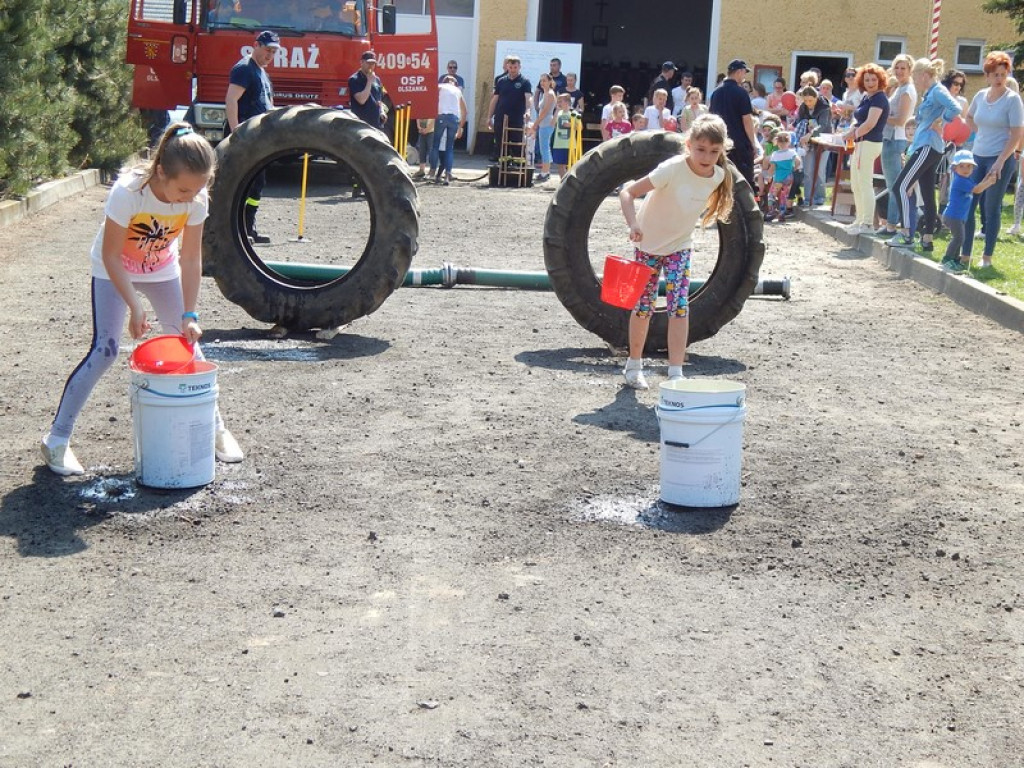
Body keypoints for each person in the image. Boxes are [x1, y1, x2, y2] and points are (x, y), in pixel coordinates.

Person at [41, 123, 244, 476]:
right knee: (104, 350)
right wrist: (135, 305)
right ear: (162, 171)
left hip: (162, 269)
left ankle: (216, 430)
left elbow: (191, 258)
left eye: (198, 189)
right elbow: (111, 255)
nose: (190, 196)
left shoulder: (196, 197)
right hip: (114, 267)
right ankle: (56, 440)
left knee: (188, 342)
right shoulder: (128, 192)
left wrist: (190, 313)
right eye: (183, 189)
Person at [618, 113, 735, 388]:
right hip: (648, 245)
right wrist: (633, 223)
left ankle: (676, 372)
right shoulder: (671, 169)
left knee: (679, 307)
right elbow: (628, 192)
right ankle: (634, 365)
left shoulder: (718, 175)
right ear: (688, 145)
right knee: (644, 306)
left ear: (722, 150)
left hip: (680, 246)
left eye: (714, 151)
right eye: (701, 149)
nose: (706, 156)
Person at [886, 58, 961, 250]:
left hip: (928, 146)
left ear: (924, 75)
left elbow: (956, 108)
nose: (916, 82)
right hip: (926, 146)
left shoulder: (938, 91)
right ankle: (927, 237)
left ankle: (906, 234)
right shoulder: (930, 93)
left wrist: (941, 121)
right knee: (928, 193)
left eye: (916, 77)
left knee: (900, 186)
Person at [963, 51, 1024, 269]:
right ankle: (965, 253)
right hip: (978, 155)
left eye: (1002, 74)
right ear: (987, 76)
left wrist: (1000, 161)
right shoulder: (980, 95)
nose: (999, 78)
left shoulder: (1012, 99)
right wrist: (979, 133)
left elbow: (1017, 133)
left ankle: (987, 256)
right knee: (969, 203)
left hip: (1000, 157)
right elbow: (969, 116)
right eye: (995, 74)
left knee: (991, 206)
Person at [225, 29, 279, 244]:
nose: (270, 55)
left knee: (256, 184)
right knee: (241, 184)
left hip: (259, 138)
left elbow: (267, 103)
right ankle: (237, 231)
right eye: (267, 50)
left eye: (274, 52)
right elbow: (231, 100)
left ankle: (249, 228)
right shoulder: (244, 69)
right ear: (256, 45)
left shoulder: (261, 72)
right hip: (245, 137)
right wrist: (236, 131)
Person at [840, 62, 889, 235]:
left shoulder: (879, 98)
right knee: (856, 184)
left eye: (873, 79)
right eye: (867, 79)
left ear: (880, 80)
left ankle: (867, 223)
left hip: (869, 142)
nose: (870, 82)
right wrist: (852, 130)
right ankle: (860, 219)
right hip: (861, 142)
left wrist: (853, 134)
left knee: (865, 184)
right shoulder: (867, 97)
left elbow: (870, 124)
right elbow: (859, 119)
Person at [876, 54, 918, 236]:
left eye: (903, 68)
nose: (900, 71)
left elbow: (902, 119)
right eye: (897, 68)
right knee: (893, 184)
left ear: (910, 70)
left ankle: (892, 224)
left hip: (896, 139)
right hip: (890, 138)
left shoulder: (907, 90)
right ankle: (893, 222)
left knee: (895, 186)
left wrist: (880, 117)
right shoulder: (900, 89)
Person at [940, 150, 995, 271]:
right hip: (953, 216)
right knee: (959, 238)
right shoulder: (960, 181)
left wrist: (986, 177)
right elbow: (977, 190)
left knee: (960, 238)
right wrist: (990, 182)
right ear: (955, 168)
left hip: (959, 216)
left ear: (973, 168)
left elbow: (977, 186)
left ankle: (954, 260)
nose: (966, 169)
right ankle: (947, 259)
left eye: (969, 166)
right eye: (962, 166)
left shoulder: (967, 180)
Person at [709, 59, 759, 188]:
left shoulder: (715, 93)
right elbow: (747, 120)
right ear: (739, 72)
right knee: (743, 180)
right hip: (739, 143)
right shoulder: (741, 92)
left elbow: (711, 118)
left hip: (720, 141)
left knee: (720, 179)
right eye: (744, 73)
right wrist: (752, 143)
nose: (744, 77)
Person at [348, 50, 387, 197]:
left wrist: (382, 111)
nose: (371, 66)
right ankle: (357, 186)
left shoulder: (377, 80)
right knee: (360, 155)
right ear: (361, 62)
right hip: (361, 123)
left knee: (374, 155)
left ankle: (370, 186)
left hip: (375, 123)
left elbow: (379, 99)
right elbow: (361, 99)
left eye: (373, 63)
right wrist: (369, 82)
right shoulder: (355, 79)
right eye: (368, 63)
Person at [485, 55, 532, 163]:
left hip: (516, 118)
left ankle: (517, 165)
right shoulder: (501, 81)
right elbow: (494, 99)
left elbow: (528, 98)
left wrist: (528, 111)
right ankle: (502, 165)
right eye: (510, 67)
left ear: (519, 67)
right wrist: (489, 117)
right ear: (507, 67)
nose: (512, 70)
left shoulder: (525, 82)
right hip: (501, 117)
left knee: (516, 143)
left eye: (515, 67)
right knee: (500, 143)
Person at [793, 84, 833, 207]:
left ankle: (819, 197)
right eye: (805, 100)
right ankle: (808, 197)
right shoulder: (803, 107)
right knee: (808, 170)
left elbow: (823, 126)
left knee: (820, 170)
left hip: (823, 142)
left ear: (816, 97)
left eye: (811, 100)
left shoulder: (825, 108)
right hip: (808, 144)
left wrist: (809, 134)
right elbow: (798, 121)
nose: (808, 103)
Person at [429, 75, 467, 186]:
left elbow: (431, 99)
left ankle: (432, 171)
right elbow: (465, 111)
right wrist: (460, 127)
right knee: (449, 147)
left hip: (441, 116)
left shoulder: (439, 86)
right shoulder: (458, 91)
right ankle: (447, 174)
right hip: (453, 118)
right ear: (454, 83)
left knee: (435, 145)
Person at [764, 130, 800, 222]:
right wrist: (794, 168)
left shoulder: (775, 154)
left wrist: (768, 176)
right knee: (784, 195)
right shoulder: (792, 152)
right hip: (788, 177)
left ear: (777, 142)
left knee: (772, 194)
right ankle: (782, 213)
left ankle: (772, 211)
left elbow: (772, 168)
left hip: (778, 178)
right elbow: (798, 161)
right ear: (789, 142)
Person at [532, 73, 557, 181]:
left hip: (546, 123)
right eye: (541, 80)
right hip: (544, 123)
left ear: (550, 82)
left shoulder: (550, 94)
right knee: (544, 147)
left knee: (544, 148)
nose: (542, 83)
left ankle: (545, 172)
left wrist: (535, 123)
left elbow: (545, 112)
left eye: (544, 80)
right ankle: (546, 170)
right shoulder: (545, 93)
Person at [550, 92, 574, 179]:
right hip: (559, 143)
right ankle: (563, 182)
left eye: (561, 101)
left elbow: (580, 127)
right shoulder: (558, 114)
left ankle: (569, 181)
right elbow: (552, 124)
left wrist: (571, 125)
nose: (559, 103)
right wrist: (556, 111)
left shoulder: (573, 114)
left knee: (571, 164)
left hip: (569, 144)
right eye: (558, 101)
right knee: (560, 165)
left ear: (567, 102)